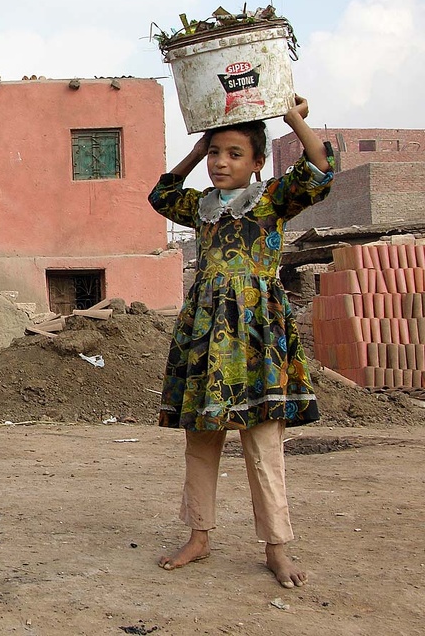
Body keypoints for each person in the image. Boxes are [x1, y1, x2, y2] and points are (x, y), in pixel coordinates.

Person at [147, 95, 333, 588]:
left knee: (263, 442)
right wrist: (195, 147)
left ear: (256, 163)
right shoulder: (200, 208)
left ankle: (276, 547)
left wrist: (290, 114)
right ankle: (199, 536)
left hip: (257, 338)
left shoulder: (271, 199)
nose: (220, 163)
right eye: (215, 153)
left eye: (233, 154)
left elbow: (320, 168)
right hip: (206, 337)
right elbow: (161, 194)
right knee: (201, 441)